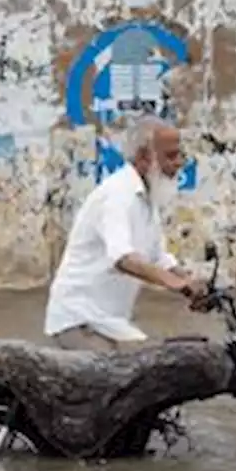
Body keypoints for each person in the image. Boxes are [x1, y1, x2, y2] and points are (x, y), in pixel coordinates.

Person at [43, 114, 206, 351]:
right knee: (113, 383)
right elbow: (123, 259)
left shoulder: (148, 198)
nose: (179, 163)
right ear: (143, 157)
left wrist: (189, 282)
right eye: (170, 156)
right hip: (80, 319)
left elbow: (158, 257)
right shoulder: (119, 195)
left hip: (112, 321)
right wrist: (173, 283)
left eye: (180, 154)